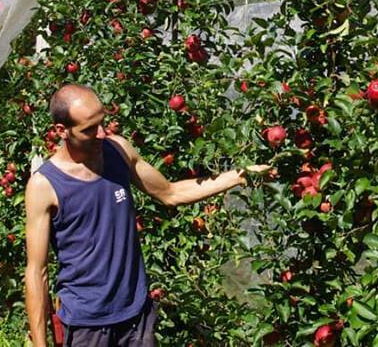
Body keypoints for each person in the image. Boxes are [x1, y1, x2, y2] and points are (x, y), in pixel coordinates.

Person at [24, 83, 270, 347]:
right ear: (61, 130)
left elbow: (170, 193)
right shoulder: (44, 186)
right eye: (89, 129)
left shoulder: (117, 151)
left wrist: (239, 175)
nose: (101, 133)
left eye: (102, 123)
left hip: (136, 315)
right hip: (88, 323)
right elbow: (37, 272)